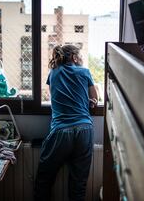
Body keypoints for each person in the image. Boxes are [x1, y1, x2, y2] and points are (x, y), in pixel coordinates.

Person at [34, 44, 98, 201]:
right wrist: (88, 101)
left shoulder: (53, 73)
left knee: (44, 181)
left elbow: (56, 96)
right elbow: (95, 99)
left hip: (61, 131)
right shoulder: (84, 71)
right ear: (75, 57)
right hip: (84, 129)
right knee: (78, 184)